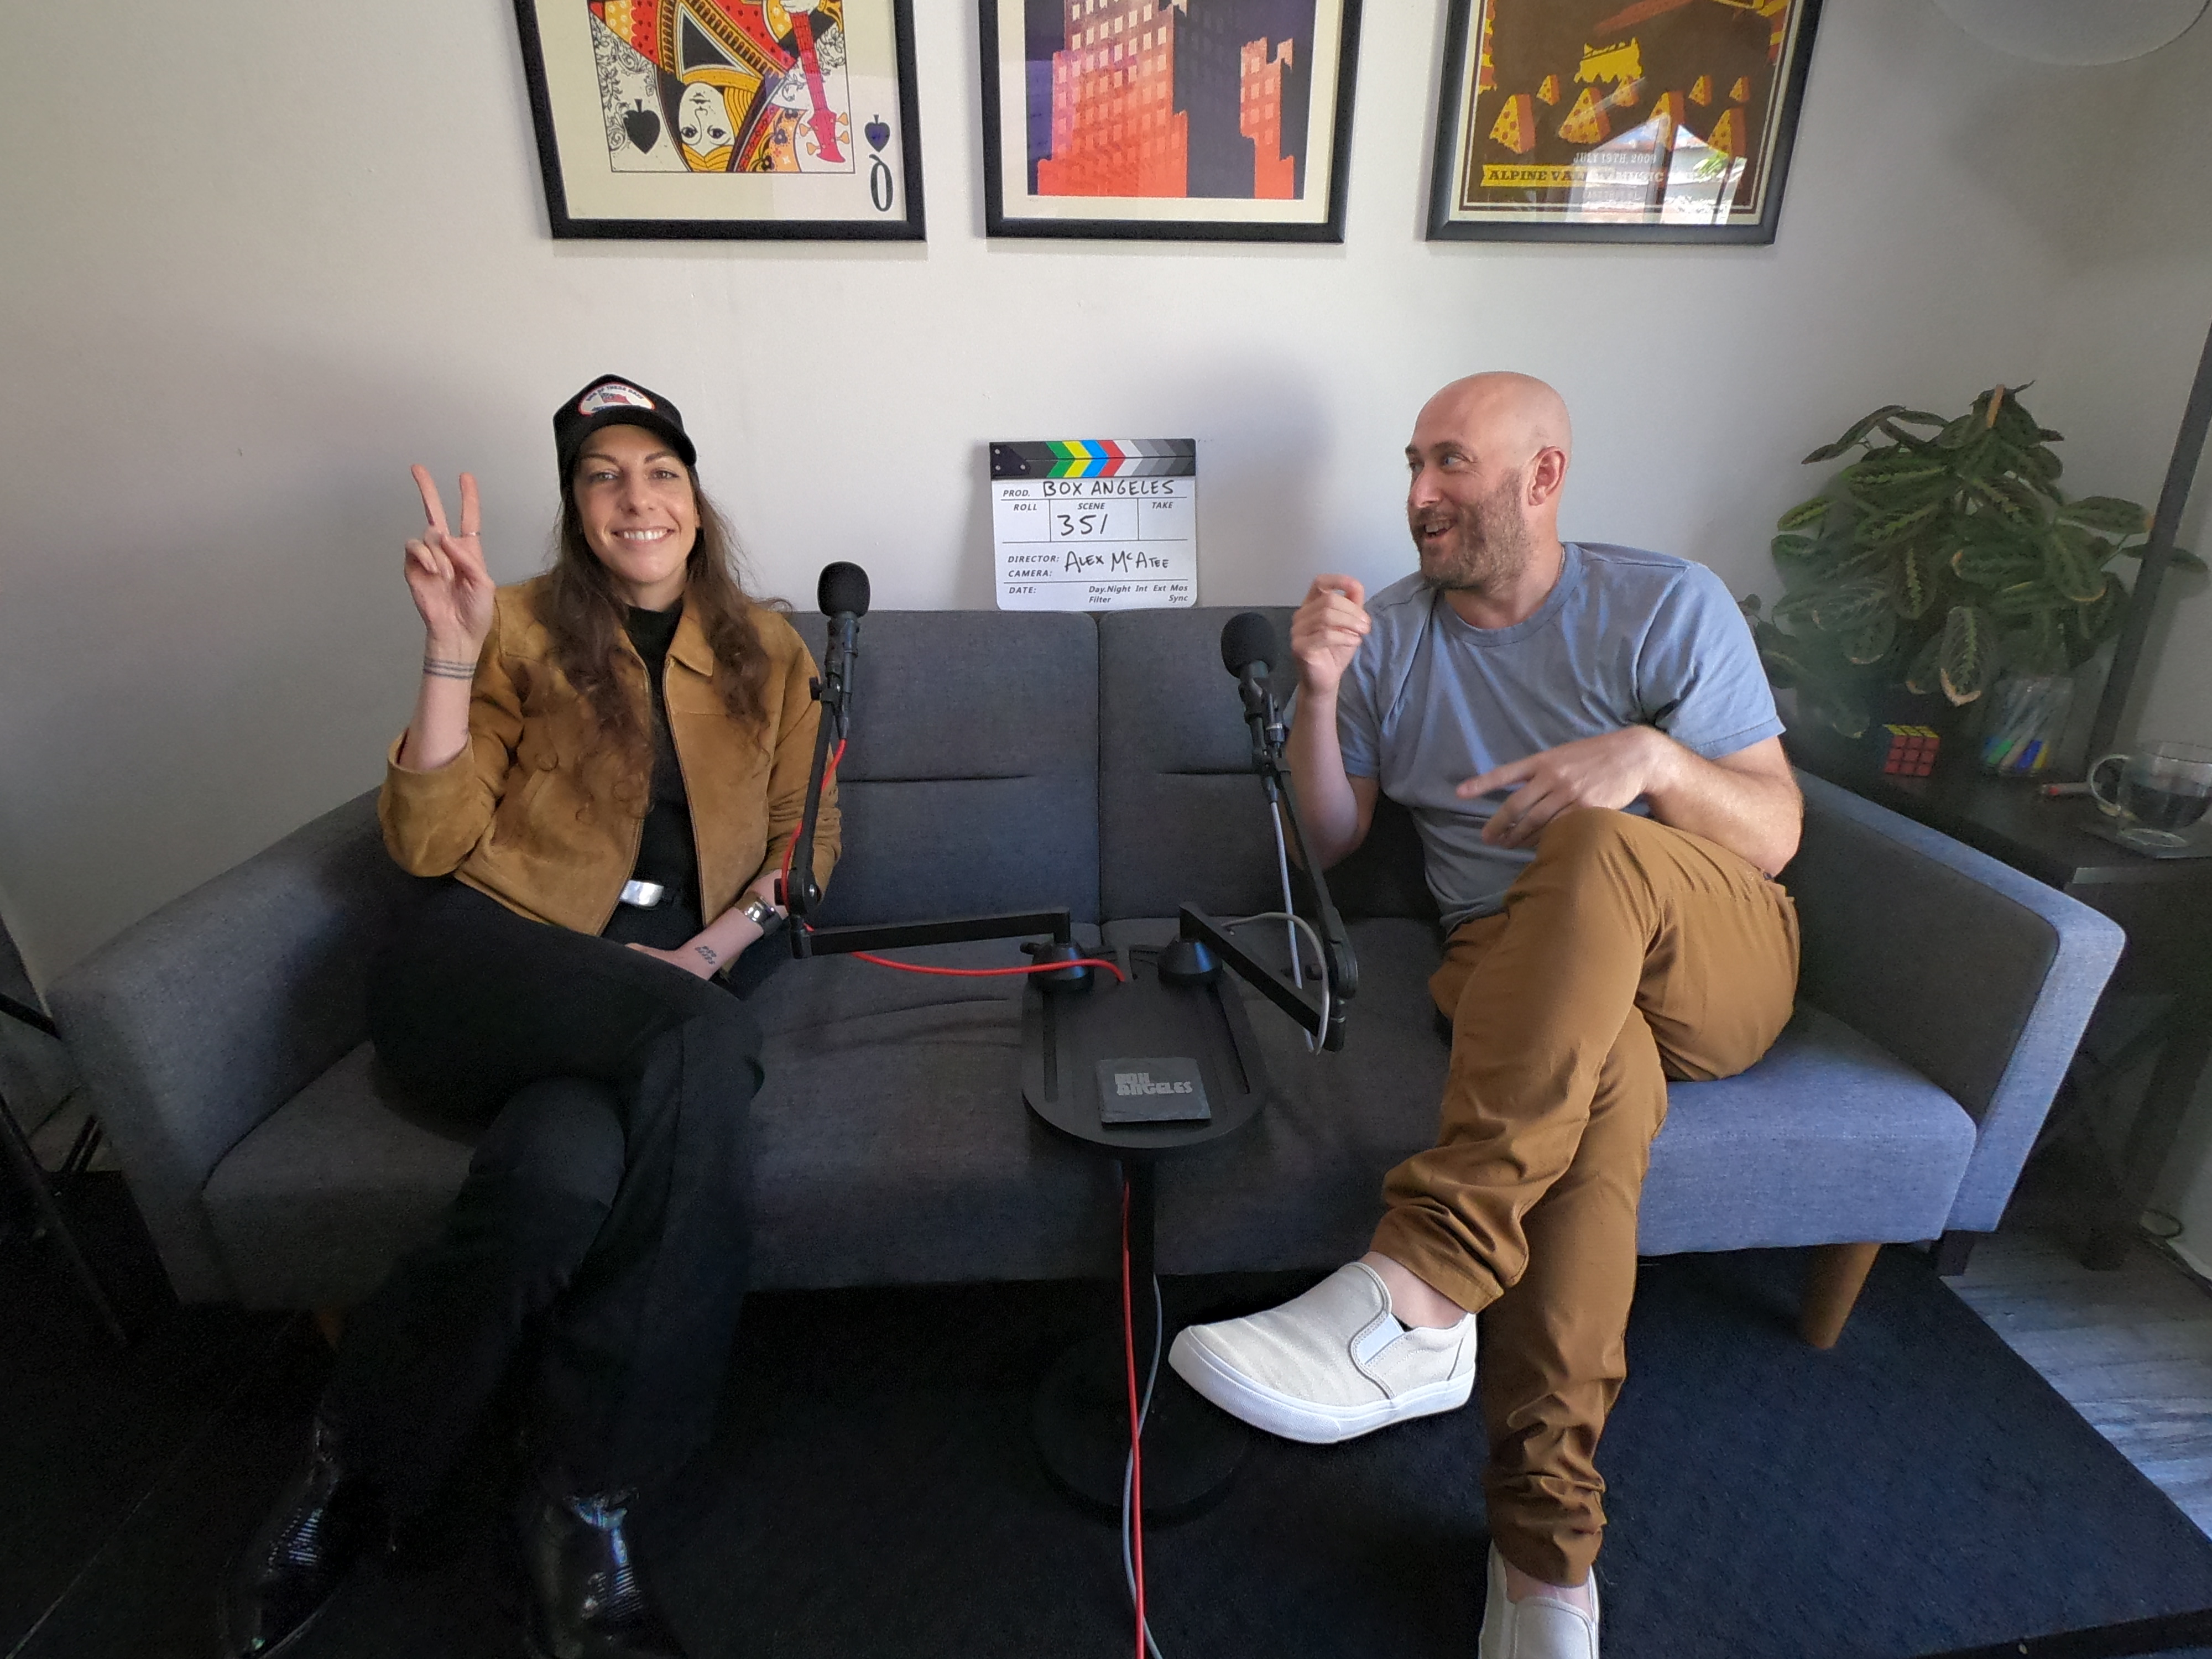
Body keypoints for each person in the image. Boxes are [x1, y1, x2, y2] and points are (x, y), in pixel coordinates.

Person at [1168, 373, 1801, 1659]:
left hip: (1709, 949)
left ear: (1541, 476)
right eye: (1412, 463)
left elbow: (1773, 833)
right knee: (1593, 1096)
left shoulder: (1664, 603)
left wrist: (1651, 761)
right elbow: (1325, 846)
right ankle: (1543, 1558)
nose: (1418, 494)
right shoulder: (1391, 638)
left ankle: (1423, 1280)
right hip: (1516, 968)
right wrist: (1319, 691)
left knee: (1593, 847)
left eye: (1449, 462)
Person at [218, 374, 837, 1659]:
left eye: (659, 471)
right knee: (703, 1042)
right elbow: (427, 847)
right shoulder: (509, 627)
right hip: (482, 966)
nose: (635, 497)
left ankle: (386, 1470)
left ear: (695, 497)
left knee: (556, 1184)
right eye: (603, 475)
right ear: (574, 506)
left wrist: (706, 954)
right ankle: (582, 1504)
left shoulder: (771, 651)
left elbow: (807, 841)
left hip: (650, 1002)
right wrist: (450, 652)